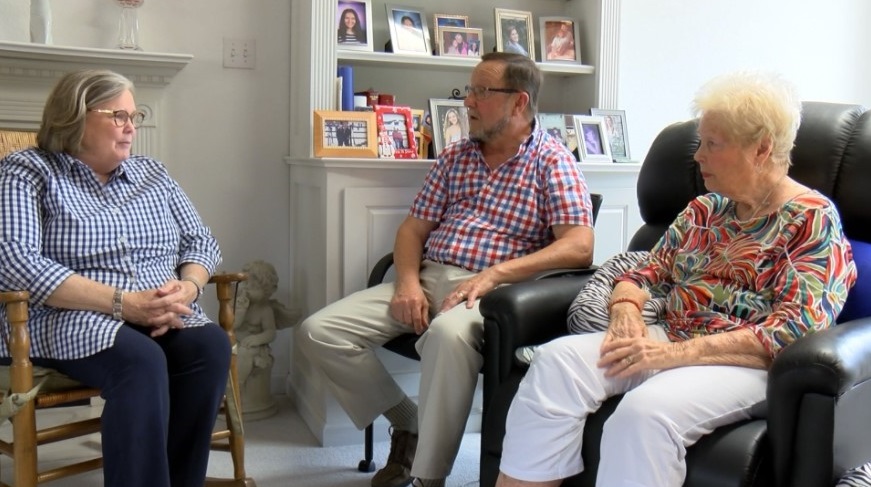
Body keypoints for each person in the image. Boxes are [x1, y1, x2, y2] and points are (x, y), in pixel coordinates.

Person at [495, 71, 858, 487]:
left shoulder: (811, 220)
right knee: (557, 363)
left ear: (761, 149)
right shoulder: (706, 210)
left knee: (644, 414)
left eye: (712, 144)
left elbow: (793, 330)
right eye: (700, 142)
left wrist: (671, 355)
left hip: (749, 364)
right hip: (672, 335)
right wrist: (626, 310)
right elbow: (641, 272)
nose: (698, 156)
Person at [297, 52, 595, 487]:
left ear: (518, 102)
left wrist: (494, 276)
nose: (467, 102)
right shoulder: (456, 156)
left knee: (446, 335)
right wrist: (407, 283)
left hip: (492, 294)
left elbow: (579, 247)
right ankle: (410, 423)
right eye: (469, 90)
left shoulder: (553, 161)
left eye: (481, 92)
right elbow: (412, 229)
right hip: (429, 276)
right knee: (319, 332)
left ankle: (427, 476)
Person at [0, 69, 228, 487]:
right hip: (71, 315)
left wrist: (188, 287)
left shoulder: (153, 174)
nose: (130, 127)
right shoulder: (29, 170)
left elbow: (200, 240)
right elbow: (16, 261)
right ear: (74, 116)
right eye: (118, 116)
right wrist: (124, 303)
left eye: (134, 117)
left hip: (159, 309)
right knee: (139, 361)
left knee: (209, 346)